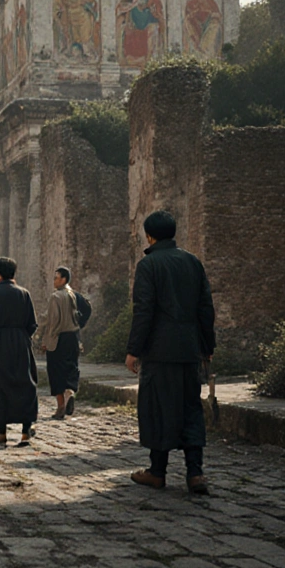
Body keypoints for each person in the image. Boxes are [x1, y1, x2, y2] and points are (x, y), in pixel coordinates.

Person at [126, 210, 217, 495]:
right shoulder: (193, 262)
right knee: (191, 408)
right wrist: (207, 346)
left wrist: (133, 350)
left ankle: (157, 471)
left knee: (157, 409)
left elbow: (144, 311)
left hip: (159, 350)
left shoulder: (149, 265)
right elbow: (205, 308)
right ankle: (195, 473)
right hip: (189, 349)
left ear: (149, 236)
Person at [0, 257, 38, 447]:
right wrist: (21, 337)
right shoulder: (24, 294)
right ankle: (26, 431)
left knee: (1, 385)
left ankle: (1, 432)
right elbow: (32, 324)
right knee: (26, 383)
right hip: (21, 342)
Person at [38, 266, 81, 420]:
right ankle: (70, 393)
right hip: (73, 337)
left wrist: (45, 339)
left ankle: (61, 407)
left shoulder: (55, 297)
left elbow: (52, 321)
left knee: (56, 372)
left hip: (58, 338)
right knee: (70, 368)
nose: (54, 281)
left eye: (56, 277)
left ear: (63, 279)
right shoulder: (73, 295)